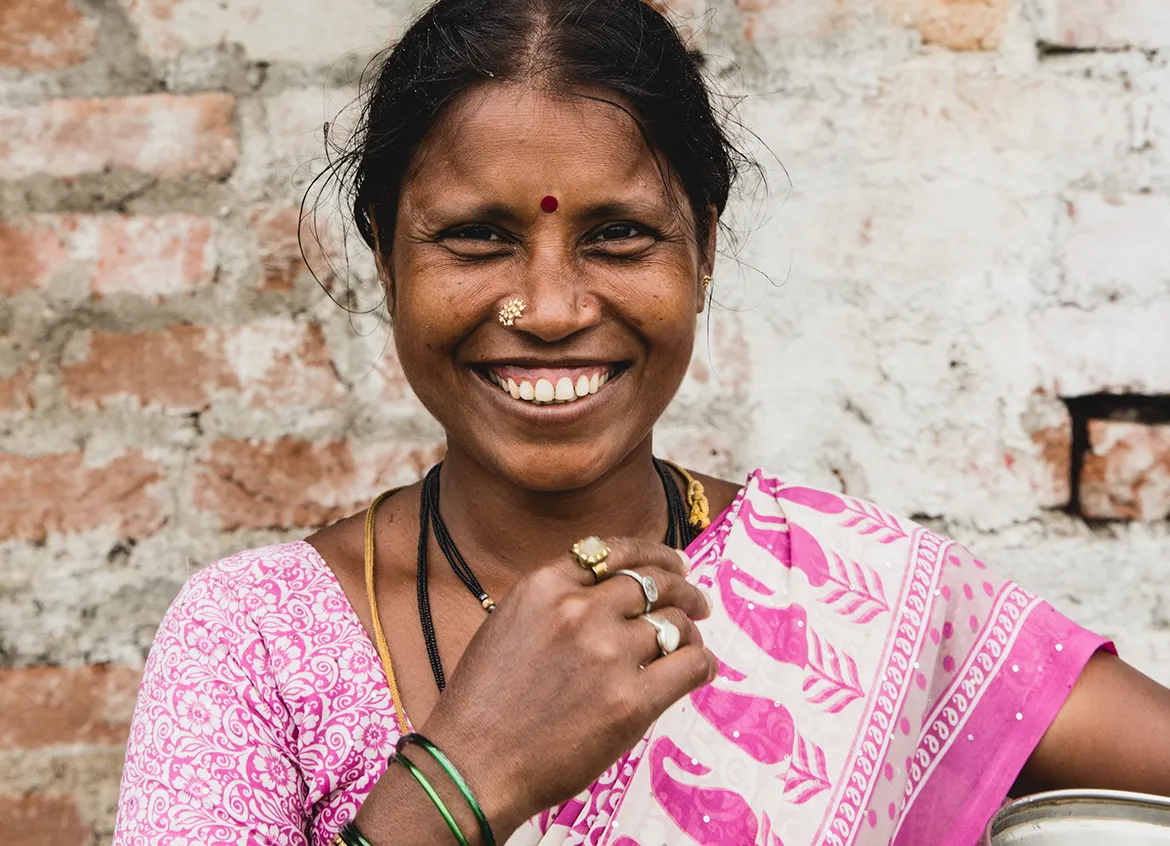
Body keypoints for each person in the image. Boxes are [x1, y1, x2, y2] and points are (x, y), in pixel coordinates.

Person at [111, 1, 1170, 844]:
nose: (555, 307)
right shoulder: (253, 642)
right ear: (386, 258)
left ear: (702, 253)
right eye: (476, 239)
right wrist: (462, 783)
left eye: (620, 236)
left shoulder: (849, 594)